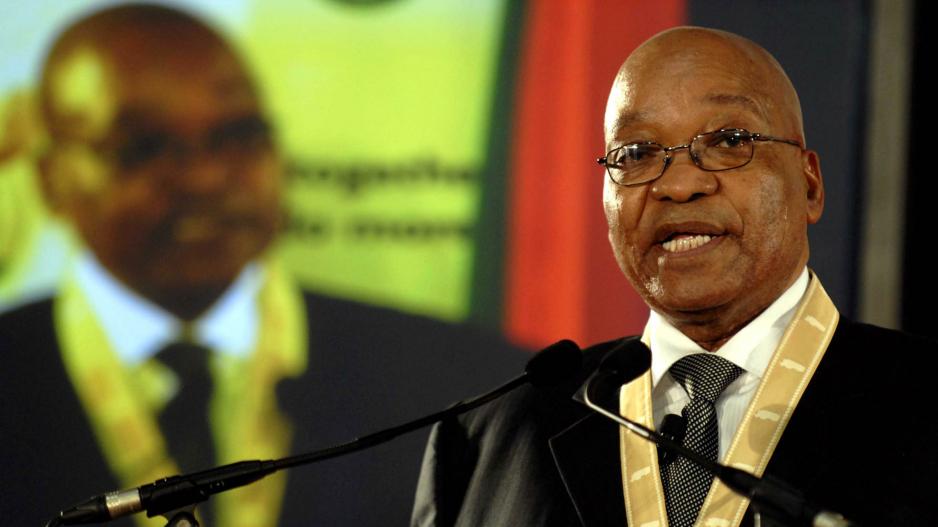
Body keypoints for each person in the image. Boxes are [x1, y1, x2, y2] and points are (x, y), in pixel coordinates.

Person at [0, 5, 525, 526]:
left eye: (238, 134)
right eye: (144, 147)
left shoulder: (468, 387)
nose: (204, 177)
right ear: (50, 178)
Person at [411, 27, 938, 527]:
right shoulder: (484, 443)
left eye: (730, 140)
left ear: (810, 186)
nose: (680, 185)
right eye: (637, 153)